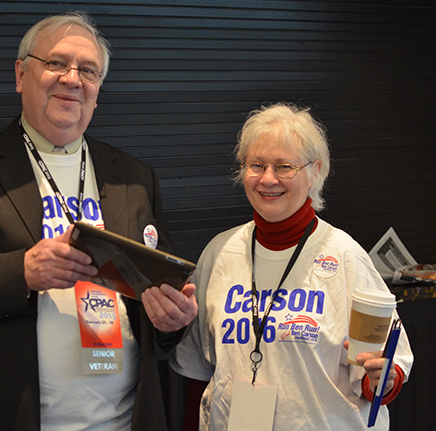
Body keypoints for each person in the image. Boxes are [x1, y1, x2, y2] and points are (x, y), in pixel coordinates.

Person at [0, 12, 197, 431]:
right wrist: (21, 271)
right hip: (6, 418)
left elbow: (159, 294)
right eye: (56, 63)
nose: (72, 79)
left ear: (98, 90)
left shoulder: (135, 178)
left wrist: (172, 320)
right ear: (21, 74)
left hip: (126, 421)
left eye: (88, 70)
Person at [170, 102, 413, 430]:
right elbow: (199, 376)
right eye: (256, 165)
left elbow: (382, 371)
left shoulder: (345, 257)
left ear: (315, 171)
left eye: (284, 166)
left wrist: (382, 378)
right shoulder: (219, 253)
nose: (268, 179)